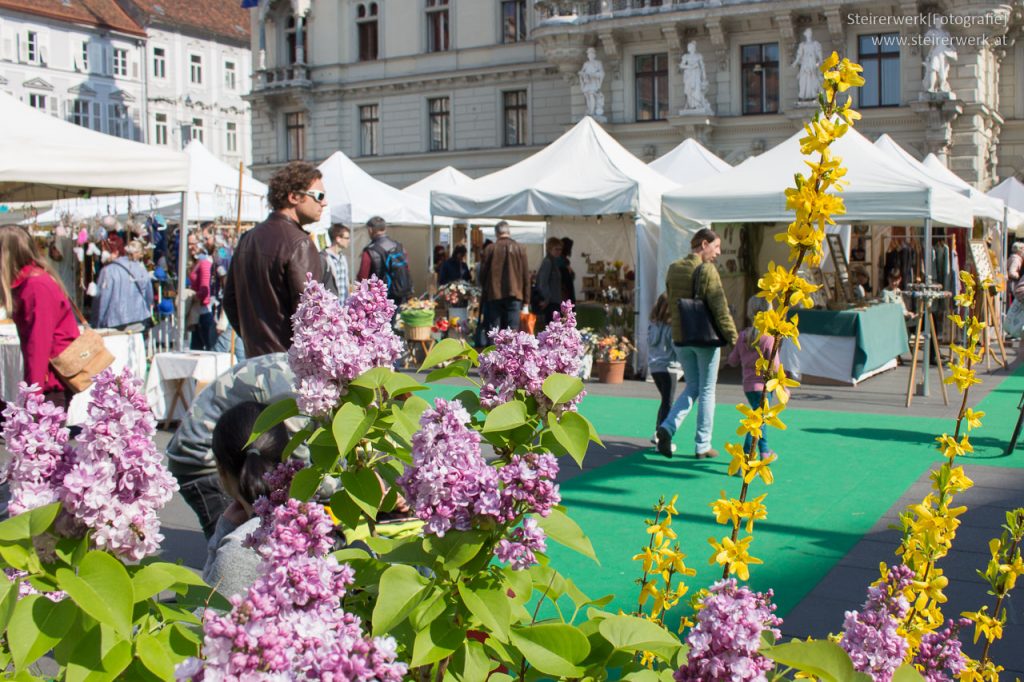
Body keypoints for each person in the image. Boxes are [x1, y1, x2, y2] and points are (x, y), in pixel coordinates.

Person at [167, 352, 298, 539]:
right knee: (237, 547)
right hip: (203, 458)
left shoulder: (297, 367)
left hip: (231, 450)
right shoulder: (298, 387)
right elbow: (297, 462)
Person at [223, 161, 325, 357]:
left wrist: (252, 339)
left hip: (256, 359)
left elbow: (230, 302)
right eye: (319, 196)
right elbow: (311, 313)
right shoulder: (300, 243)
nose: (324, 202)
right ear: (294, 196)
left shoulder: (248, 238)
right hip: (291, 365)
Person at [655, 227, 737, 459]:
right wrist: (735, 339)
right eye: (716, 246)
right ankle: (702, 445)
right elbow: (720, 310)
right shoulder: (708, 270)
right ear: (703, 244)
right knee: (707, 390)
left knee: (692, 386)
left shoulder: (673, 268)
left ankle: (668, 427)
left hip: (680, 338)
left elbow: (671, 303)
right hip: (705, 338)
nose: (718, 252)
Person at [203, 401, 288, 597]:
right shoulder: (311, 526)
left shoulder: (239, 549)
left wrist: (220, 538)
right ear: (287, 455)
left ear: (220, 469)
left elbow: (200, 620)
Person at [0, 224, 80, 410]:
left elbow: (39, 341)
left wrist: (33, 394)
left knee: (42, 437)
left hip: (49, 382)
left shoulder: (35, 285)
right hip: (45, 380)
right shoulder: (31, 281)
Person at [726, 296, 779, 460]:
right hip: (763, 387)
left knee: (760, 419)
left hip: (748, 387)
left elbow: (732, 361)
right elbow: (775, 366)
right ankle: (745, 456)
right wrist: (783, 387)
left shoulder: (743, 336)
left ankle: (764, 451)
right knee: (756, 422)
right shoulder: (769, 338)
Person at [91, 239, 153, 332]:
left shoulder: (109, 270)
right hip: (139, 320)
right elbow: (149, 298)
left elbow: (102, 299)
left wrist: (97, 323)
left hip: (114, 321)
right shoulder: (143, 271)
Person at [479, 221, 530, 334]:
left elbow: (482, 275)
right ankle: (511, 352)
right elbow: (526, 275)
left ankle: (494, 352)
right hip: (515, 295)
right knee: (512, 331)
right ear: (509, 232)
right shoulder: (520, 248)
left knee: (495, 332)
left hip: (494, 295)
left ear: (496, 233)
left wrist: (486, 290)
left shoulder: (490, 249)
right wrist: (526, 300)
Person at [647, 293, 679, 453]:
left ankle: (657, 432)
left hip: (654, 368)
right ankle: (662, 439)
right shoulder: (671, 327)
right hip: (669, 368)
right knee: (668, 403)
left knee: (665, 401)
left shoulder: (652, 324)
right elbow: (675, 348)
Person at [357, 216, 413, 305]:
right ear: (385, 228)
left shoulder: (370, 251)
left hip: (377, 300)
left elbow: (362, 277)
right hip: (399, 294)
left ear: (370, 229)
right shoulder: (399, 246)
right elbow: (407, 268)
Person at [188, 232, 216, 350]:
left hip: (204, 312)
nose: (190, 247)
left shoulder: (204, 263)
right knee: (196, 350)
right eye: (188, 244)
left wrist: (192, 297)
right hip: (198, 313)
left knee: (209, 350)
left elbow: (205, 289)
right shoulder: (197, 263)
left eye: (193, 244)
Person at [535, 237, 565, 329]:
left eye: (560, 249)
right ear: (549, 249)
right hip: (550, 303)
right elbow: (542, 282)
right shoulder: (548, 262)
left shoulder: (553, 262)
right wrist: (547, 298)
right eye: (556, 249)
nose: (559, 251)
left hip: (554, 301)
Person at [320, 222, 351, 303]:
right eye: (347, 238)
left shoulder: (343, 258)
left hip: (343, 307)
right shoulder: (323, 258)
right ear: (338, 239)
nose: (349, 240)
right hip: (331, 308)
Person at [791, 28, 823, 101]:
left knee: (812, 79)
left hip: (812, 64)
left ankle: (813, 95)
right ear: (805, 35)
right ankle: (803, 95)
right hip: (805, 65)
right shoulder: (802, 45)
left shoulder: (815, 44)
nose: (809, 34)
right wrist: (795, 63)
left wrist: (818, 63)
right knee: (803, 80)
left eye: (810, 32)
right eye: (807, 33)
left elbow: (820, 56)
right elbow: (799, 56)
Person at [679, 41, 711, 113]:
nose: (690, 48)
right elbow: (681, 65)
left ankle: (697, 104)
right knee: (688, 90)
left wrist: (704, 76)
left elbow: (702, 66)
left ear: (694, 48)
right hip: (688, 74)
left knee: (697, 89)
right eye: (689, 47)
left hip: (696, 74)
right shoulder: (686, 56)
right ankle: (690, 105)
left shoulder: (698, 56)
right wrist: (690, 66)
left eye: (691, 47)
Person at [578, 47, 606, 118]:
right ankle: (589, 109)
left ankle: (592, 111)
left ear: (594, 55)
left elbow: (602, 73)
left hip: (594, 83)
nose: (590, 56)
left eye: (592, 54)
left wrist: (594, 75)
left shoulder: (598, 63)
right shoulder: (586, 64)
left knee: (592, 95)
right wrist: (582, 74)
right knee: (587, 96)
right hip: (588, 82)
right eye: (589, 54)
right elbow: (582, 72)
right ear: (588, 56)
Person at [1005, 243, 1024, 339]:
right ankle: (1014, 330)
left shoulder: (1014, 258)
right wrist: (1018, 276)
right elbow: (1012, 272)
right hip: (1013, 284)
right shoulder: (1016, 259)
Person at [560, 237, 576, 305]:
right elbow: (570, 275)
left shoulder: (564, 260)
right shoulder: (562, 260)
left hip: (565, 291)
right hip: (564, 292)